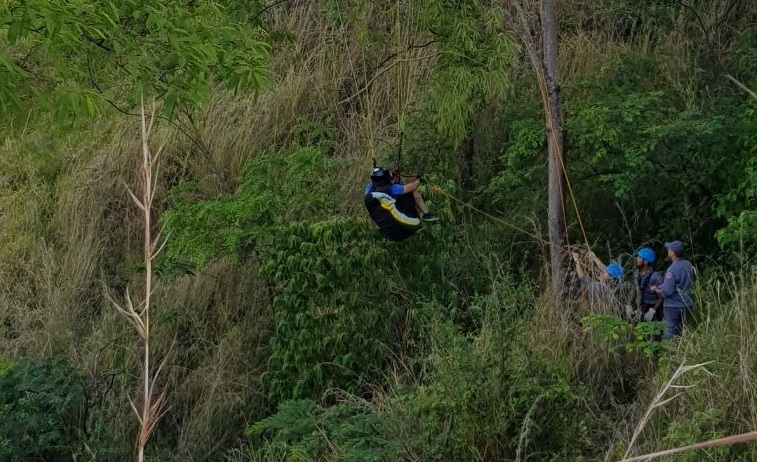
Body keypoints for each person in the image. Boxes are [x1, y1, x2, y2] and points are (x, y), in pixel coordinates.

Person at [364, 166, 437, 241]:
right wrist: (419, 180)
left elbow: (380, 182)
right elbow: (413, 187)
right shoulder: (392, 188)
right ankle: (426, 214)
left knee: (389, 205)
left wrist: (392, 175)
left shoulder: (369, 191)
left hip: (390, 234)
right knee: (411, 192)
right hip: (410, 225)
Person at [651, 240, 696, 340]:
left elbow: (667, 292)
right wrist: (663, 286)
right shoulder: (688, 264)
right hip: (688, 304)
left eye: (669, 249)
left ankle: (669, 355)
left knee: (670, 337)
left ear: (673, 252)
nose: (668, 250)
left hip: (673, 307)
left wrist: (656, 290)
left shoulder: (672, 269)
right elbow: (681, 284)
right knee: (685, 334)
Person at [571, 251, 631, 316]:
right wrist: (594, 258)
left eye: (605, 272)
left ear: (611, 278)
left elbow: (582, 277)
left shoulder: (600, 288)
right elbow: (605, 268)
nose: (602, 272)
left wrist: (576, 260)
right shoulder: (611, 287)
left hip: (592, 316)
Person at [632, 247, 664, 323]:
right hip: (644, 305)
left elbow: (662, 297)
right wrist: (629, 304)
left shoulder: (655, 276)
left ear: (645, 261)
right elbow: (634, 289)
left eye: (640, 257)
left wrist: (653, 311)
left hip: (656, 308)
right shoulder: (636, 273)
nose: (637, 259)